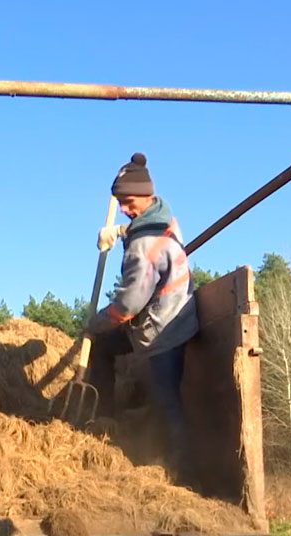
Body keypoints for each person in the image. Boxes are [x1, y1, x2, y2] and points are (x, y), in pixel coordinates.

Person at [86, 152, 200, 482]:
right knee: (108, 348)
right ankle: (106, 417)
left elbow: (128, 305)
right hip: (177, 314)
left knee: (166, 399)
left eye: (128, 201)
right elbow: (145, 227)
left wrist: (93, 325)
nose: (124, 208)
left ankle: (184, 474)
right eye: (120, 202)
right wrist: (120, 231)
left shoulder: (144, 245)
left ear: (145, 195)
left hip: (163, 329)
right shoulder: (165, 218)